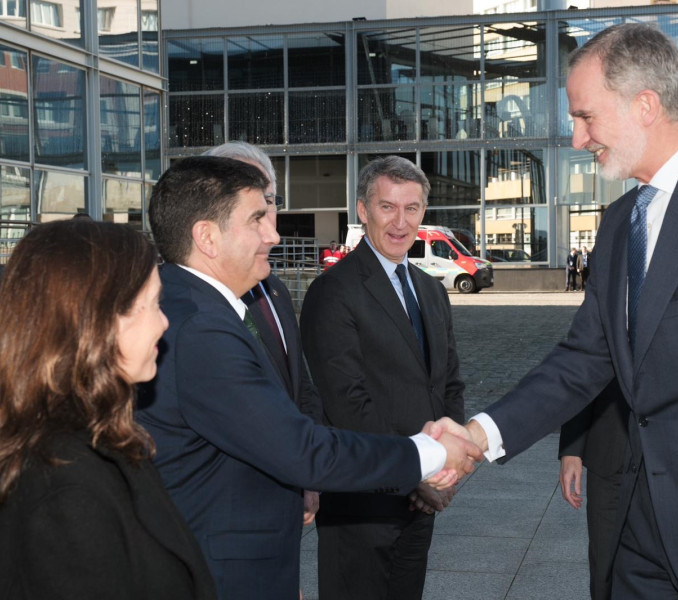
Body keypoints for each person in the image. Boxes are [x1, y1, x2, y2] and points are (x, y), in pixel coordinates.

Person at [434, 23, 678, 599]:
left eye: (586, 117)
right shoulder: (619, 222)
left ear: (646, 105)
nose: (578, 139)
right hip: (636, 532)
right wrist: (479, 433)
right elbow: (584, 357)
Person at [136, 155, 481, 600]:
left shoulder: (199, 307)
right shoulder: (202, 326)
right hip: (220, 571)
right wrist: (430, 455)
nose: (274, 235)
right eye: (257, 219)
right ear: (207, 237)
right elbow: (302, 447)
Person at [0, 220, 216, 600]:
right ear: (95, 322)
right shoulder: (65, 483)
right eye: (150, 304)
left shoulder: (101, 434)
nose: (164, 322)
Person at [300, 155, 465, 600]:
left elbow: (448, 383)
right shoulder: (333, 292)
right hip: (363, 506)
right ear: (362, 209)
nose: (400, 221)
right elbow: (348, 403)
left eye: (411, 208)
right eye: (387, 206)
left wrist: (450, 464)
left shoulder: (430, 289)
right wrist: (417, 475)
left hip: (421, 499)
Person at [203, 141, 322, 527]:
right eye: (250, 202)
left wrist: (310, 473)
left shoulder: (275, 289)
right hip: (230, 514)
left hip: (286, 495)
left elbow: (299, 386)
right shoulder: (192, 306)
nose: (267, 214)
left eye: (270, 199)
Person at [558, 379, 629, 600]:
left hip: (672, 458)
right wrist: (572, 449)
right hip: (610, 453)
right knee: (604, 563)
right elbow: (581, 374)